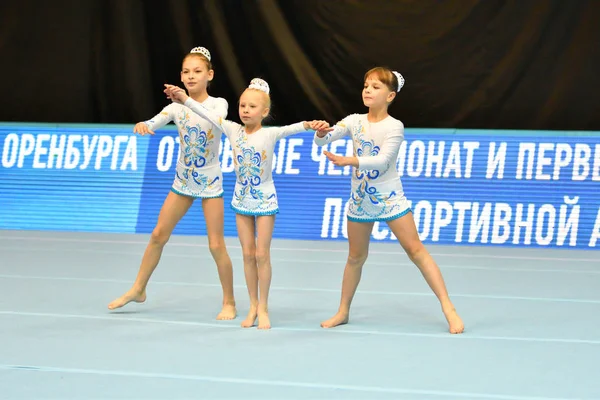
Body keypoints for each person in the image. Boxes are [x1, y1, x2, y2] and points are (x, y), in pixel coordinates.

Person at [164, 78, 331, 329]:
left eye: (252, 107)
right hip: (241, 199)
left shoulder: (270, 133)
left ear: (264, 112)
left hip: (264, 199)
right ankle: (252, 306)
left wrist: (312, 125)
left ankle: (264, 307)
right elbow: (204, 112)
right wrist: (183, 97)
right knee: (247, 254)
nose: (245, 110)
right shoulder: (232, 129)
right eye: (242, 105)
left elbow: (297, 127)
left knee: (262, 254)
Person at [314, 67, 464, 334]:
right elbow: (324, 139)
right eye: (366, 85)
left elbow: (383, 162)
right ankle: (343, 311)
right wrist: (322, 131)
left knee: (415, 250)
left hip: (390, 198)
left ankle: (448, 308)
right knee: (355, 257)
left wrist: (351, 160)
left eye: (375, 87)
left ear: (391, 95)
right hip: (360, 201)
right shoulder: (354, 121)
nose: (368, 90)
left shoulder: (394, 126)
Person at [108, 47, 237, 321]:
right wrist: (144, 124)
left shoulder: (219, 103)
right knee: (157, 235)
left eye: (197, 71)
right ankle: (138, 289)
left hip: (210, 183)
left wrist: (185, 101)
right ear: (180, 75)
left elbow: (215, 121)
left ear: (210, 75)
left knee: (216, 245)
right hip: (183, 180)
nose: (191, 76)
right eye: (186, 72)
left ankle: (229, 301)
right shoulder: (175, 107)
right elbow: (155, 120)